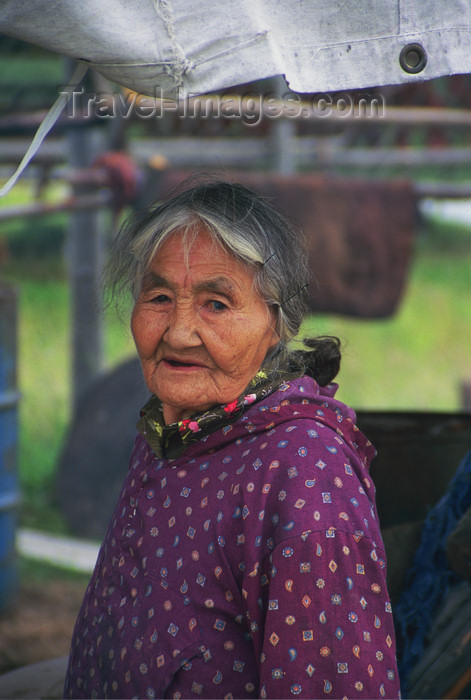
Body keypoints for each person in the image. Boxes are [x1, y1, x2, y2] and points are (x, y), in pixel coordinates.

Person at [64, 178, 400, 699]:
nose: (177, 332)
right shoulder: (170, 431)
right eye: (158, 297)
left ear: (277, 322)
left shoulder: (303, 475)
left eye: (216, 304)